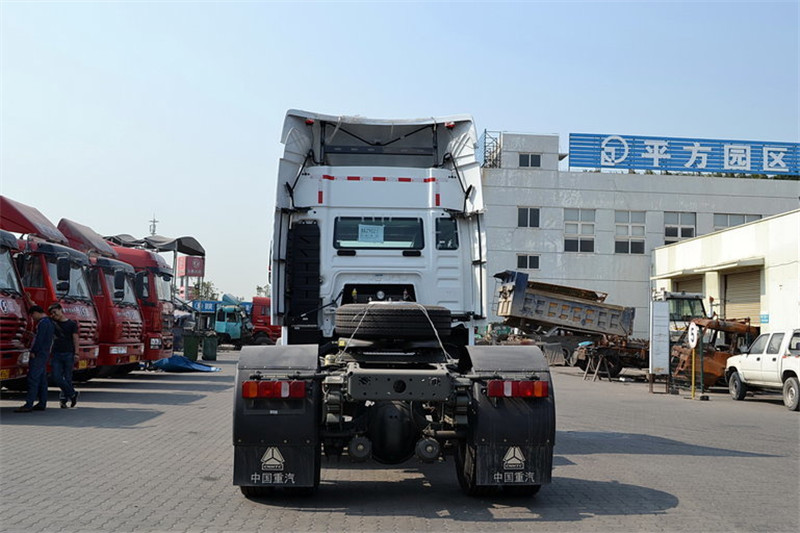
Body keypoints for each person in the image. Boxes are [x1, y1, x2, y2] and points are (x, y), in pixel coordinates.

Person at [14, 306, 54, 412]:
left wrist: (33, 351)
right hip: (44, 353)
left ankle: (29, 404)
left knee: (33, 378)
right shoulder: (49, 322)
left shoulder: (43, 323)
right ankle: (42, 403)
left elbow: (39, 339)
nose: (33, 318)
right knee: (42, 380)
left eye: (32, 315)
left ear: (36, 312)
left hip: (39, 354)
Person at [48, 303, 80, 408]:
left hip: (69, 354)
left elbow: (75, 339)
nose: (53, 315)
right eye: (51, 313)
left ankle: (63, 400)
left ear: (60, 310)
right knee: (56, 377)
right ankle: (72, 394)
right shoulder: (53, 323)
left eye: (55, 312)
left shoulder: (72, 324)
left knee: (67, 378)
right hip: (56, 354)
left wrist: (76, 353)